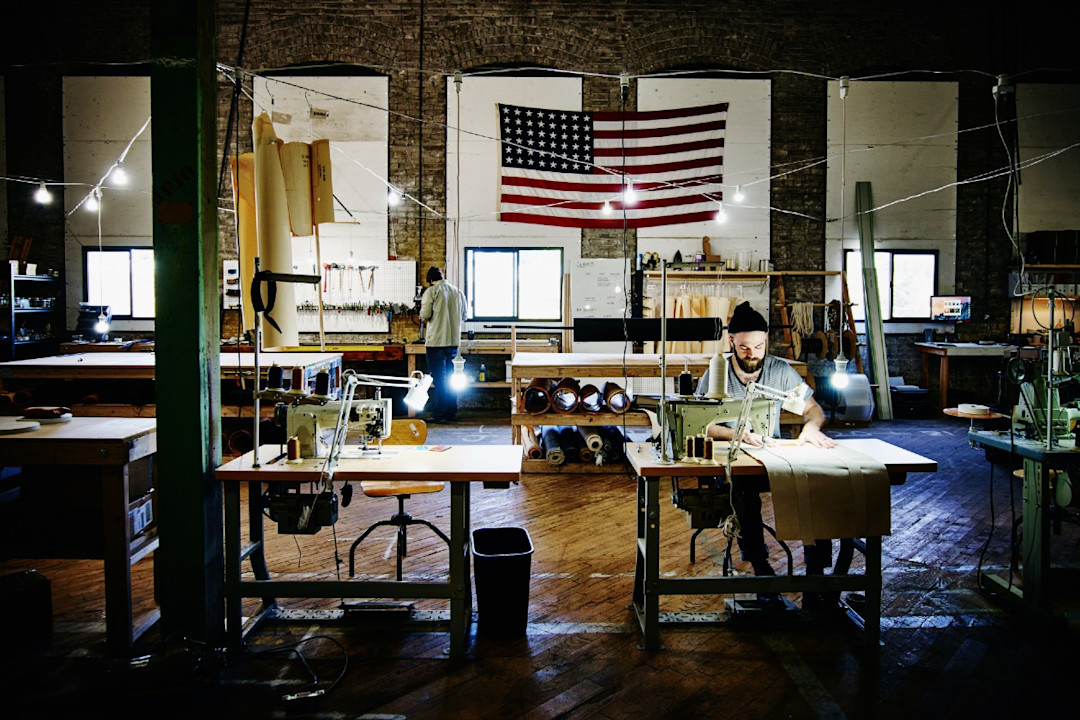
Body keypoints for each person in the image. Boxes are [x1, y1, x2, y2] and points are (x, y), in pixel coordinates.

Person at [696, 301, 838, 609]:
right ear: (731, 341)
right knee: (743, 497)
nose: (753, 354)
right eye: (745, 348)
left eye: (759, 346)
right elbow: (704, 424)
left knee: (815, 486)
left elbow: (814, 410)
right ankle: (763, 573)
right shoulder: (717, 372)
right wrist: (735, 434)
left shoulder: (778, 371)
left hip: (769, 456)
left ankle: (816, 574)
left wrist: (811, 428)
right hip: (733, 462)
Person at [419, 266, 467, 423]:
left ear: (431, 280)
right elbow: (465, 316)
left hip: (436, 343)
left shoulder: (431, 292)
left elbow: (425, 315)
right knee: (451, 378)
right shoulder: (458, 292)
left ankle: (440, 414)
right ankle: (451, 411)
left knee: (439, 379)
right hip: (453, 343)